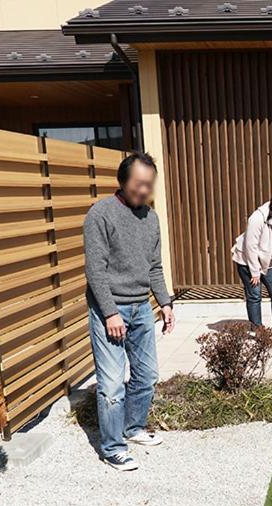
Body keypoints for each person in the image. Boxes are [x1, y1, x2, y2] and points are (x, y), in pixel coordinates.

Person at [84, 151, 175, 472]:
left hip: (141, 308)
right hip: (109, 308)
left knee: (147, 376)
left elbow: (154, 267)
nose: (143, 191)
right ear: (122, 181)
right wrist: (109, 313)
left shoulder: (151, 219)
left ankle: (133, 427)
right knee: (111, 383)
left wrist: (165, 302)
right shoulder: (100, 214)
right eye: (138, 184)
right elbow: (95, 270)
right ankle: (112, 448)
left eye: (148, 185)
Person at [232, 188, 272, 338]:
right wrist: (254, 272)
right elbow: (250, 246)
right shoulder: (257, 218)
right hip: (247, 261)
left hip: (269, 263)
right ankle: (257, 329)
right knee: (255, 294)